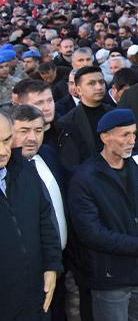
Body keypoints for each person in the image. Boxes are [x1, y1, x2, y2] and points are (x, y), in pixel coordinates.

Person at [68, 109, 138, 321]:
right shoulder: (85, 178)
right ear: (105, 137)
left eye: (134, 134)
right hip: (111, 277)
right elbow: (92, 233)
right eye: (125, 135)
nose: (132, 140)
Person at [1, 108, 63, 320]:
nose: (3, 151)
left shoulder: (26, 171)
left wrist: (52, 267)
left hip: (35, 300)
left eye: (7, 140)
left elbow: (46, 224)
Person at [55, 66, 113, 170]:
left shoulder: (113, 113)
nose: (99, 87)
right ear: (78, 90)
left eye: (101, 82)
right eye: (91, 83)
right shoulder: (68, 122)